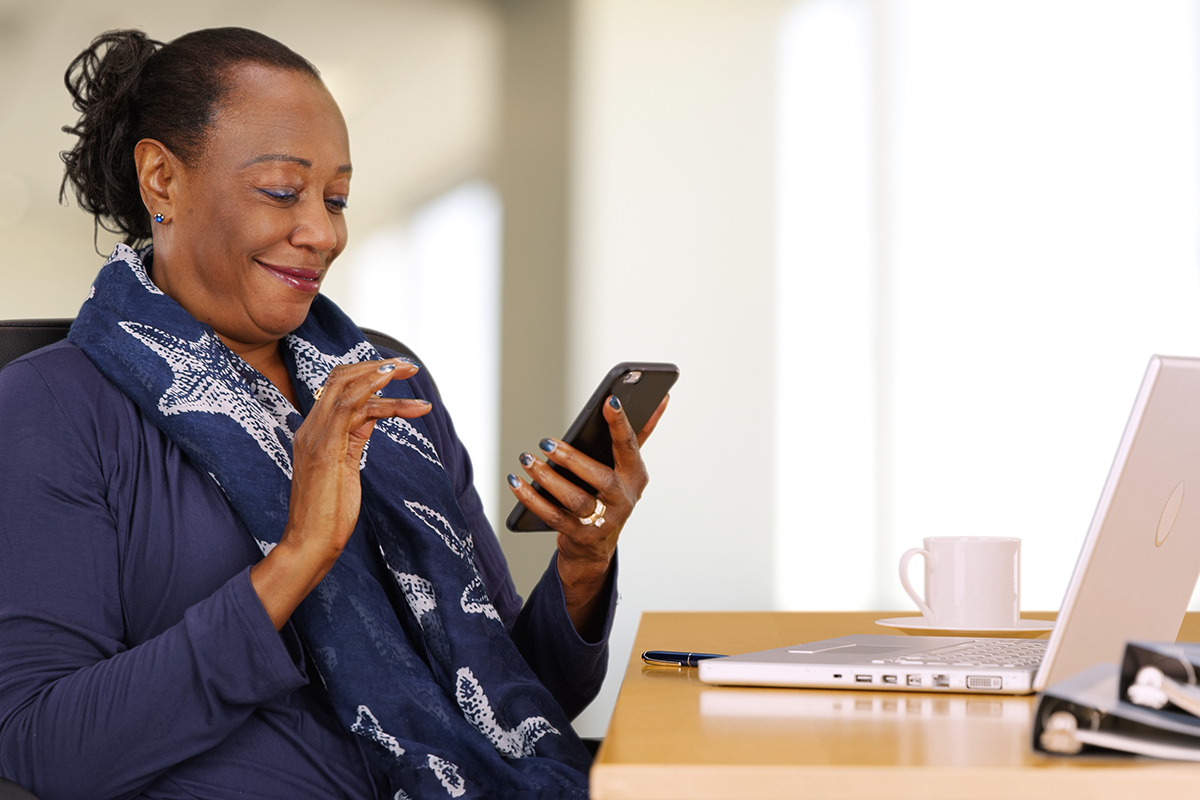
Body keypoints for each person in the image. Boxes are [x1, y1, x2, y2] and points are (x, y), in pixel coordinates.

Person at [0, 27, 667, 800]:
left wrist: (583, 567)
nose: (323, 232)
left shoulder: (377, 381)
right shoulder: (52, 406)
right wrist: (298, 556)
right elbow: (44, 746)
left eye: (337, 198)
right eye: (283, 191)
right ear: (161, 180)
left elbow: (511, 709)